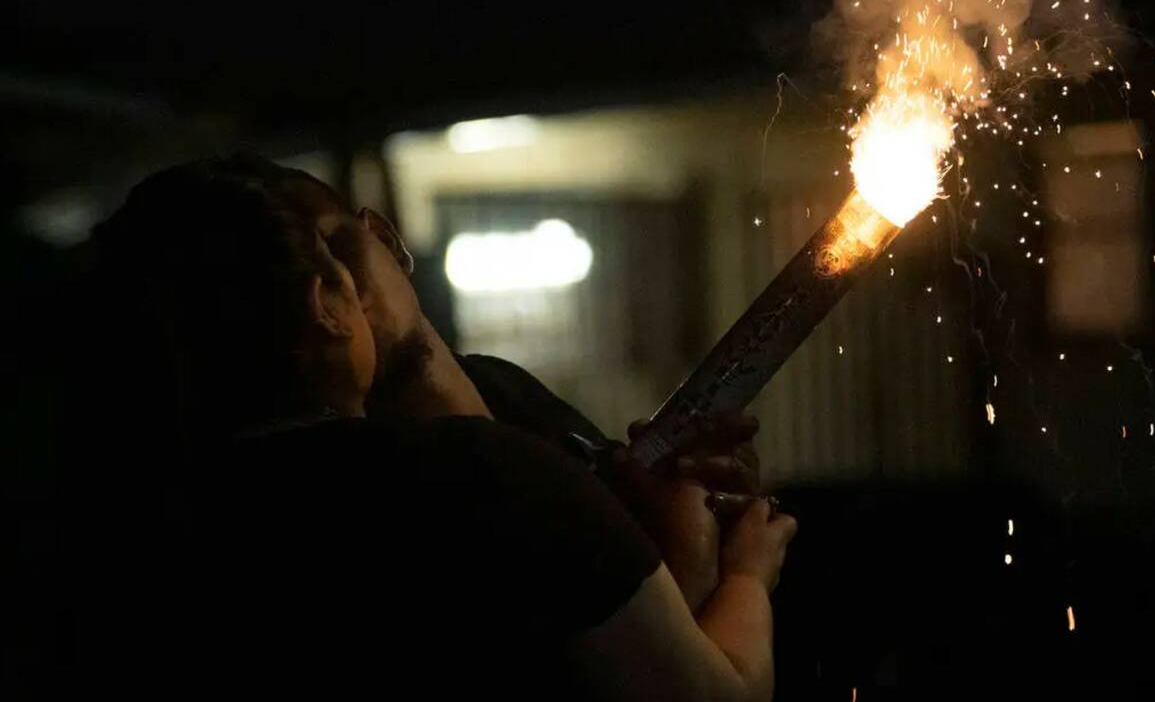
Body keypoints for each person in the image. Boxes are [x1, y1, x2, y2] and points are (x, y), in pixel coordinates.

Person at [67, 156, 796, 700]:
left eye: (335, 251)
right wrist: (741, 576)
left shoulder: (514, 407)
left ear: (384, 240)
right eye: (314, 269)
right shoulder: (479, 476)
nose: (341, 287)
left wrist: (683, 527)